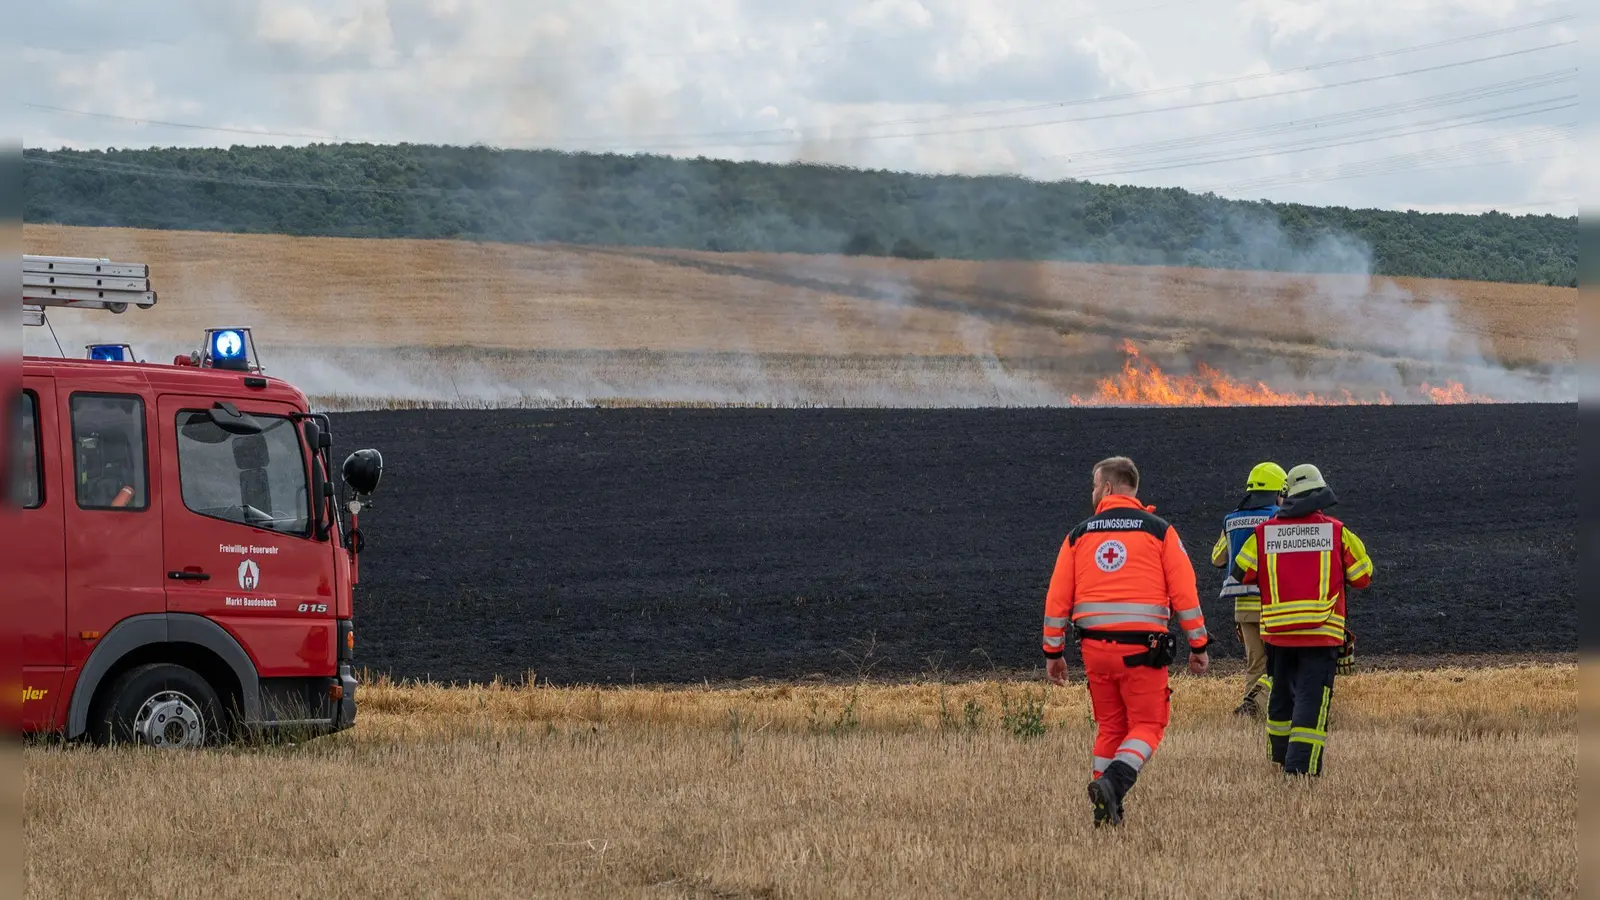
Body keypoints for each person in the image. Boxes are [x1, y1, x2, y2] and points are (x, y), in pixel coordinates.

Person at [1042, 456, 1211, 827]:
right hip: (1143, 651)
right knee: (1149, 725)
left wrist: (1053, 651)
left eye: (1093, 486)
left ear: (1106, 488)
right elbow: (1185, 594)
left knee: (1111, 727)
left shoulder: (1079, 535)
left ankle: (1104, 813)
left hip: (1095, 651)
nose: (1092, 493)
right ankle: (1113, 786)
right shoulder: (1159, 531)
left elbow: (1057, 600)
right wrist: (1198, 645)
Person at [1231, 464, 1372, 777]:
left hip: (1278, 635)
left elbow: (1240, 572)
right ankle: (1300, 769)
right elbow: (1363, 576)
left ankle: (1282, 758)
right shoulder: (1336, 531)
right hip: (1321, 635)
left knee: (1281, 695)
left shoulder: (1263, 533)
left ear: (1286, 496)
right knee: (1311, 699)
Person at [1210, 462, 1286, 718]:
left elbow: (1217, 558)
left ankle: (1250, 709)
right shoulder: (1279, 518)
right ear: (1280, 492)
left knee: (1255, 662)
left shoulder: (1231, 520)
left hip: (1243, 605)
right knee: (1280, 661)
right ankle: (1269, 708)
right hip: (1273, 603)